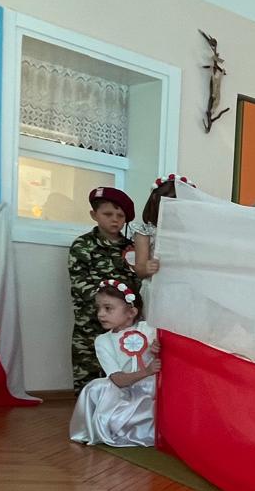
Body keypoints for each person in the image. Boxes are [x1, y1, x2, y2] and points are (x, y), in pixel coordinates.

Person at [69, 279, 159, 447]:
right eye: (98, 308)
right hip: (123, 390)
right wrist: (146, 371)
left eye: (108, 308)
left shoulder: (149, 330)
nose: (100, 314)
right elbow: (117, 380)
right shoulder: (103, 341)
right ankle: (110, 427)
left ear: (131, 312)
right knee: (95, 387)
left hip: (152, 389)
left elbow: (168, 353)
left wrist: (159, 350)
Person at [67, 186, 135, 389]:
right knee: (88, 380)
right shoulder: (82, 245)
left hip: (124, 326)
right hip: (91, 324)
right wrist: (109, 307)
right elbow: (80, 284)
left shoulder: (131, 248)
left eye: (120, 216)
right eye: (108, 214)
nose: (115, 220)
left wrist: (126, 312)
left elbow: (137, 284)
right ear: (94, 215)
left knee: (123, 374)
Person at [131, 174, 196, 279]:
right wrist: (146, 268)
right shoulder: (146, 232)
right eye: (172, 201)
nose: (176, 208)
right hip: (156, 284)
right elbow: (139, 269)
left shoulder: (188, 233)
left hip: (183, 283)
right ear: (155, 199)